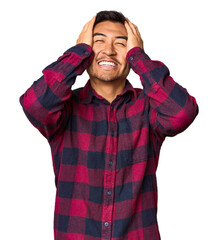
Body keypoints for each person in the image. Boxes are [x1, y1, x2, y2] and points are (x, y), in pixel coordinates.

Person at [20, 10, 198, 240]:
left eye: (122, 44)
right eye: (98, 41)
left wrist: (139, 57)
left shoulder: (149, 107)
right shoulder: (64, 108)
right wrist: (78, 53)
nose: (109, 50)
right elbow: (34, 104)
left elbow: (183, 112)